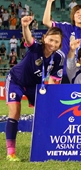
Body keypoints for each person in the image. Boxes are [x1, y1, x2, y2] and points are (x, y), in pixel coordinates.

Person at [4, 16, 64, 161]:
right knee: (15, 112)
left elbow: (53, 79)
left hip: (35, 86)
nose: (53, 44)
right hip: (16, 81)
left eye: (56, 42)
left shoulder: (58, 58)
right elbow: (29, 38)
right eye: (51, 40)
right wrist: (25, 26)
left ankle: (47, 147)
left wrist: (48, 98)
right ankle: (11, 153)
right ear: (44, 38)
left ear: (60, 44)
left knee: (46, 113)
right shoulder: (36, 48)